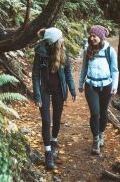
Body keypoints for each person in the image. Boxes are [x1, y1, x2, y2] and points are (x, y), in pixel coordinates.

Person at [32, 27, 77, 170]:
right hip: (44, 89)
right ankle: (48, 153)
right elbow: (35, 75)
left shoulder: (64, 51)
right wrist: (37, 95)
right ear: (53, 42)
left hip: (59, 90)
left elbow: (68, 72)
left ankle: (54, 142)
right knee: (46, 120)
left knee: (57, 118)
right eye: (60, 39)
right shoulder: (40, 52)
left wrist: (73, 90)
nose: (62, 40)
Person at [78, 25, 118, 155]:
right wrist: (80, 83)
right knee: (95, 113)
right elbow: (84, 68)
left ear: (101, 37)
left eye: (94, 36)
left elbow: (115, 70)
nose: (92, 38)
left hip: (106, 85)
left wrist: (115, 85)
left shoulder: (109, 51)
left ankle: (101, 134)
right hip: (90, 85)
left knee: (103, 111)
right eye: (91, 35)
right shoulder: (87, 49)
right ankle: (95, 140)